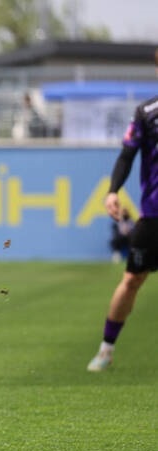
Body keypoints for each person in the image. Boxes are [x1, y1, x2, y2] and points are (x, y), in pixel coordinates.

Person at [86, 51, 158, 372]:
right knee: (131, 280)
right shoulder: (146, 113)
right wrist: (113, 190)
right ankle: (106, 350)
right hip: (154, 216)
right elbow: (127, 155)